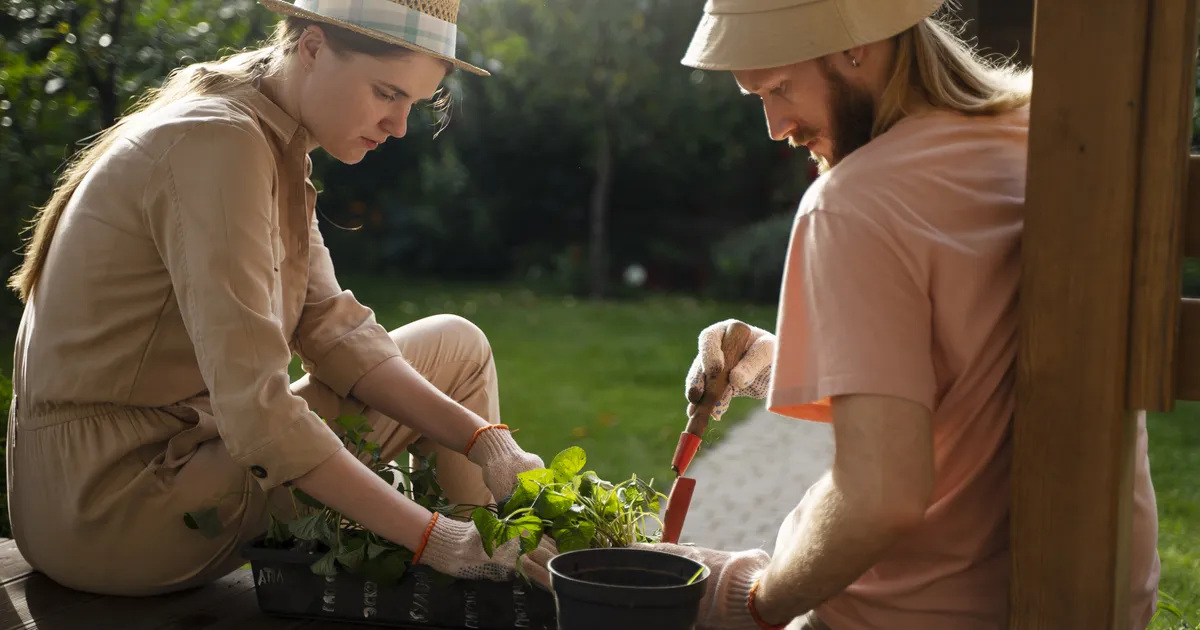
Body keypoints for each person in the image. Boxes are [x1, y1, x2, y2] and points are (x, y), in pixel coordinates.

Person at [531, 1, 1163, 629]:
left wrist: (751, 599)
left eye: (779, 88)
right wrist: (786, 365)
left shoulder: (852, 203)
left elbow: (881, 496)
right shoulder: (1047, 138)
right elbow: (976, 371)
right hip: (1097, 597)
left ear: (855, 45)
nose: (776, 126)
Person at [4, 0, 557, 596]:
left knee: (456, 346)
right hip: (119, 512)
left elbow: (333, 332)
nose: (399, 126)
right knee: (450, 383)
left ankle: (505, 555)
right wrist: (435, 540)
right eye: (386, 93)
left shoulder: (267, 141)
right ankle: (494, 574)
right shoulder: (219, 143)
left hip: (143, 485)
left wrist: (491, 446)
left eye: (413, 105)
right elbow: (258, 410)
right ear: (313, 48)